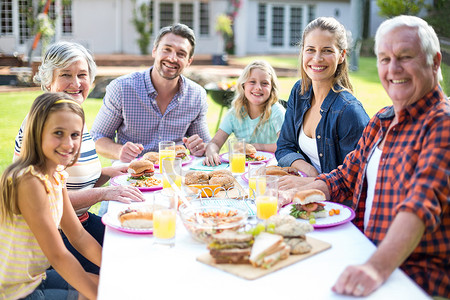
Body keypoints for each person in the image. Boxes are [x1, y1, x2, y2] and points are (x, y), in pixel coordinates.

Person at [291, 16, 449, 298]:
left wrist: (376, 268)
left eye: (405, 57)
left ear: (435, 62)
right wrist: (299, 191)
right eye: (384, 59)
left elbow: (421, 204)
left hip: (413, 279)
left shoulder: (442, 123)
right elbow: (345, 175)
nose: (393, 69)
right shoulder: (383, 120)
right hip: (364, 253)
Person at [13, 41, 145, 275]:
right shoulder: (40, 124)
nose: (76, 83)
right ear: (48, 81)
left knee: (138, 248)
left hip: (80, 222)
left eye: (82, 75)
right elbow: (42, 200)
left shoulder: (72, 119)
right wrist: (104, 193)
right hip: (52, 235)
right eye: (66, 74)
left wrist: (112, 172)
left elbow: (77, 181)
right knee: (122, 270)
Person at [1, 92, 101, 299]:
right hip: (14, 291)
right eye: (58, 133)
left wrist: (115, 269)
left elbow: (78, 235)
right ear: (38, 133)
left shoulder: (56, 176)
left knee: (104, 281)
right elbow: (58, 255)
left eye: (75, 135)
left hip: (35, 278)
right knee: (98, 292)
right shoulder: (28, 181)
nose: (68, 144)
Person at [90, 23, 211, 163]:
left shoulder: (196, 95)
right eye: (167, 49)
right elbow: (98, 137)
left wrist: (200, 148)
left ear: (189, 61)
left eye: (181, 54)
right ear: (154, 51)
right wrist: (119, 151)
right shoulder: (122, 89)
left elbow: (206, 144)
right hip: (131, 173)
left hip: (175, 174)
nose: (172, 58)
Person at [275, 17, 369, 190]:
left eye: (326, 51)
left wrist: (313, 182)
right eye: (310, 49)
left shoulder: (349, 112)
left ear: (341, 55)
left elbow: (355, 180)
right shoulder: (300, 92)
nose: (317, 58)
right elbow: (284, 146)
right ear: (303, 52)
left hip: (336, 207)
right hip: (305, 190)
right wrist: (309, 171)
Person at [203, 60, 286, 166]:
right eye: (252, 82)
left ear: (272, 88)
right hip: (242, 167)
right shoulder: (235, 113)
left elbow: (284, 145)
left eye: (264, 83)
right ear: (243, 86)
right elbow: (215, 142)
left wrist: (255, 147)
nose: (258, 87)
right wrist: (212, 152)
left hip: (272, 167)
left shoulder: (277, 112)